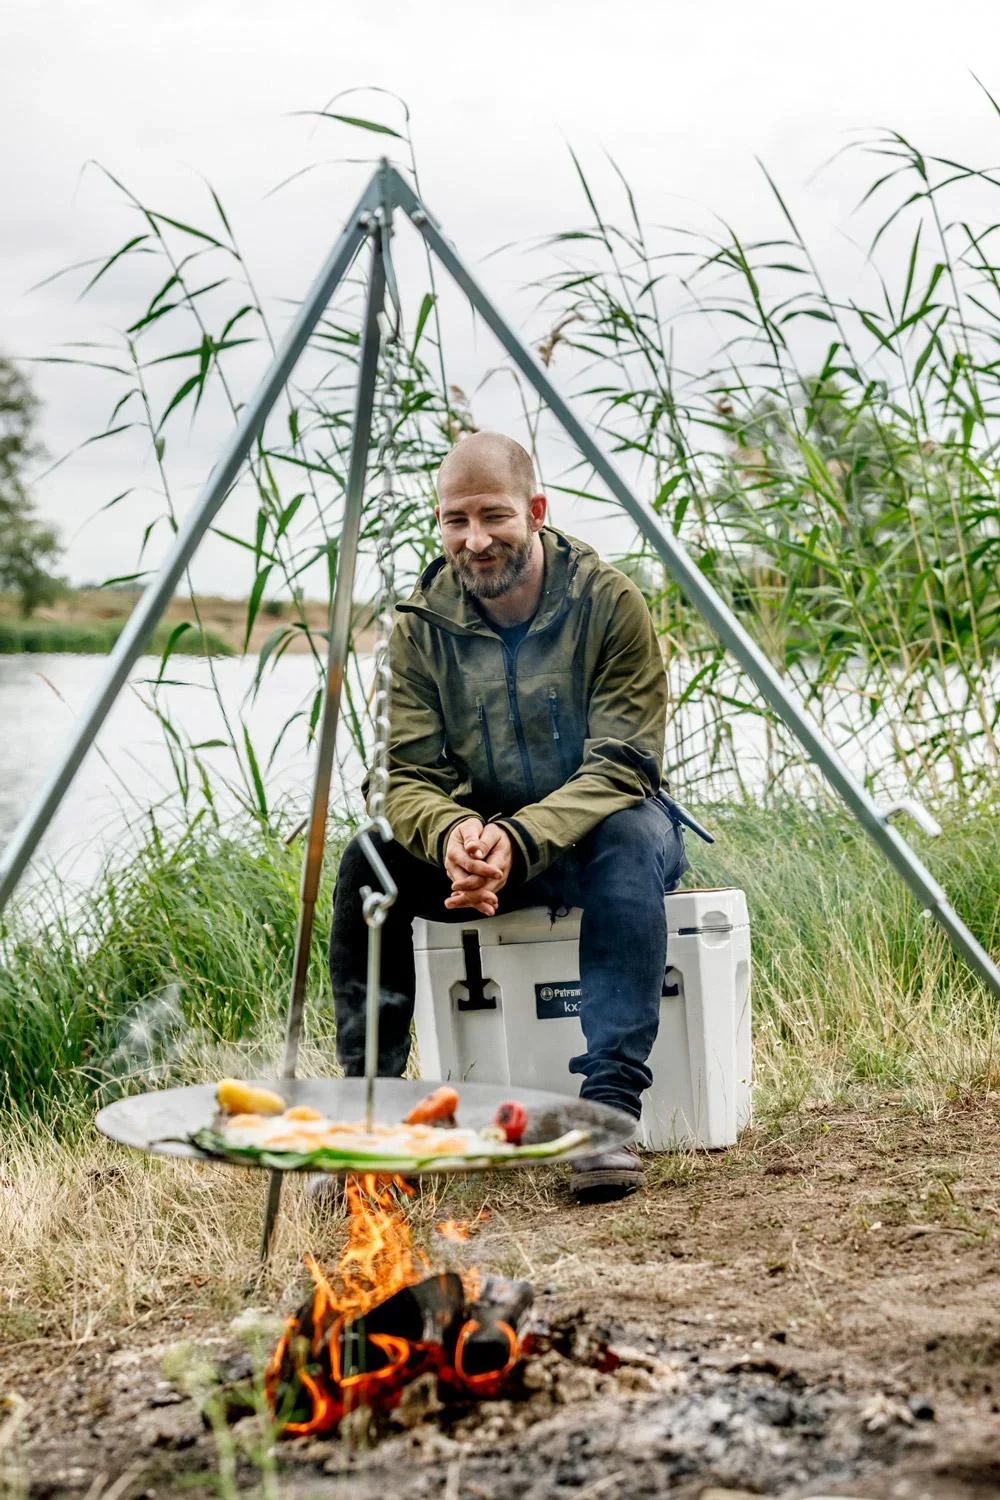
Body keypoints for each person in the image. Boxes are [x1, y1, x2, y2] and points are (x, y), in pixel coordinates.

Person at [329, 431, 687, 1202]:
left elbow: (624, 764)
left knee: (628, 841)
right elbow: (406, 779)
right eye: (456, 521)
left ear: (536, 510)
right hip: (487, 845)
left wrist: (520, 840)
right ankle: (373, 1124)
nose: (476, 539)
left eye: (493, 516)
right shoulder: (419, 625)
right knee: (370, 861)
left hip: (605, 831)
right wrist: (457, 837)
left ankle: (606, 1115)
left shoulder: (608, 601)